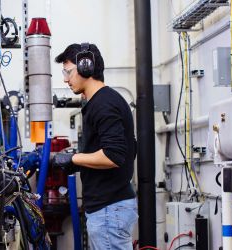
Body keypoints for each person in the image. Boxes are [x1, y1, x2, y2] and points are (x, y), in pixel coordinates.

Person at [52, 43, 138, 249]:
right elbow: (125, 149)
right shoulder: (101, 102)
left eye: (68, 71)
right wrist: (79, 161)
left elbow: (113, 155)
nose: (65, 78)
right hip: (109, 208)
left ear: (85, 67)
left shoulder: (104, 104)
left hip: (109, 209)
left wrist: (73, 159)